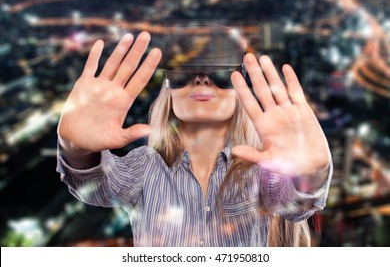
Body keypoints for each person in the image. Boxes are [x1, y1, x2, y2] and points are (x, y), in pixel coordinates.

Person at [56, 28, 332, 247]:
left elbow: (296, 206)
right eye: (184, 73)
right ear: (168, 86)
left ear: (239, 85)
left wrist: (312, 174)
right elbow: (96, 186)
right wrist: (78, 150)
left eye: (219, 72)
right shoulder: (144, 167)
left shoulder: (259, 172)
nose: (201, 80)